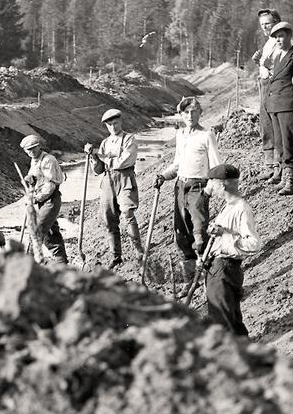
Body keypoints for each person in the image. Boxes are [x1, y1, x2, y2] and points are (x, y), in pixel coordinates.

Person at [155, 97, 222, 282]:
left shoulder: (206, 135)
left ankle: (211, 277)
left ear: (200, 113)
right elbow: (177, 164)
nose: (190, 115)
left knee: (199, 234)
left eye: (194, 111)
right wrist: (163, 175)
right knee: (182, 235)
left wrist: (208, 190)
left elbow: (216, 167)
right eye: (186, 112)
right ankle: (190, 278)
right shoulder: (181, 135)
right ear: (181, 115)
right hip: (180, 188)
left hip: (198, 187)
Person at [204, 163, 263, 336]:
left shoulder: (241, 208)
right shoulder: (227, 207)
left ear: (223, 184)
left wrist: (225, 234)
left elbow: (253, 244)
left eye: (213, 183)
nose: (210, 188)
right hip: (218, 267)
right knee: (232, 322)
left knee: (222, 323)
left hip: (225, 269)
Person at [84, 109, 143, 267]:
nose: (113, 127)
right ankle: (116, 256)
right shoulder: (105, 143)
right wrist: (94, 157)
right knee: (110, 220)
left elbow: (124, 161)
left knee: (127, 212)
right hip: (108, 182)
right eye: (109, 125)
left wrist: (102, 157)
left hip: (125, 179)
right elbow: (98, 170)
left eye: (115, 123)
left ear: (121, 122)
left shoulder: (129, 139)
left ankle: (138, 251)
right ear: (106, 126)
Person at [263, 22, 293, 196]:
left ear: (289, 36)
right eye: (276, 37)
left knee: (289, 142)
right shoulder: (277, 57)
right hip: (274, 105)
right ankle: (284, 177)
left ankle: (291, 180)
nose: (278, 40)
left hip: (287, 105)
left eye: (281, 36)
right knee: (279, 143)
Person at [21, 134, 69, 264]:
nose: (32, 152)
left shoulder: (48, 159)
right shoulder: (34, 160)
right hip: (42, 202)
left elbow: (50, 185)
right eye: (28, 150)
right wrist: (29, 178)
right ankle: (62, 264)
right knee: (52, 236)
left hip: (51, 200)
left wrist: (36, 198)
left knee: (36, 232)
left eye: (34, 148)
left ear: (39, 146)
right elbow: (37, 176)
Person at [249, 8, 282, 181]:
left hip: (275, 86)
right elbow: (266, 66)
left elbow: (281, 66)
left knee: (275, 125)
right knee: (265, 124)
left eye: (267, 23)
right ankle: (269, 166)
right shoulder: (269, 42)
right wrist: (259, 62)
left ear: (276, 22)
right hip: (264, 85)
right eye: (262, 24)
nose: (264, 27)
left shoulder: (281, 41)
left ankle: (278, 167)